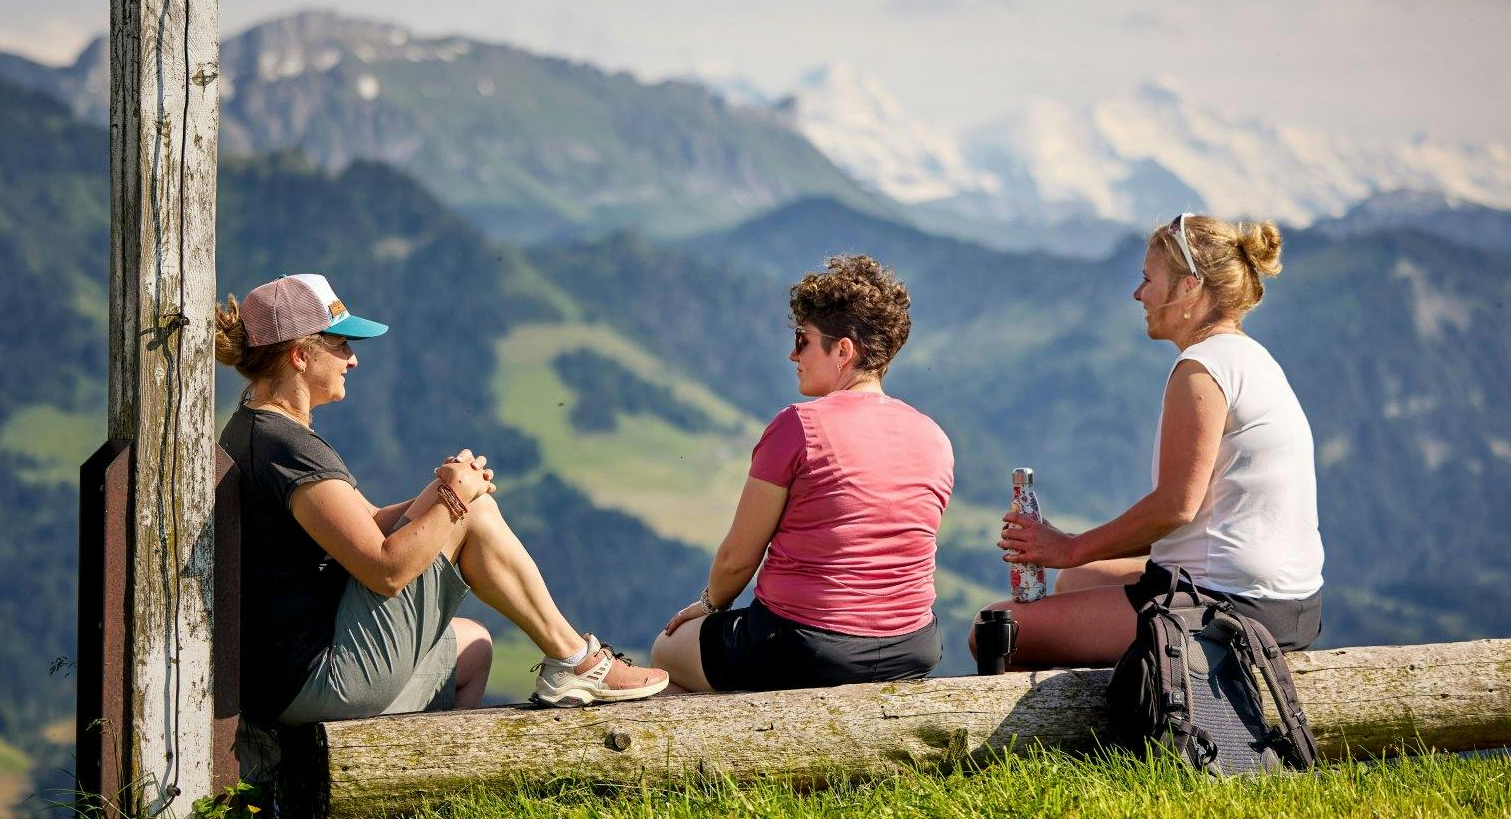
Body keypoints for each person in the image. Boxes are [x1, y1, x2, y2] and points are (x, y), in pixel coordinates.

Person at [219, 272, 667, 724]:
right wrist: (455, 500)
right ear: (299, 355)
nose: (352, 360)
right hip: (321, 677)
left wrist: (442, 490)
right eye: (341, 345)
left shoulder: (259, 429)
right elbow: (386, 571)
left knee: (473, 647)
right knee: (473, 511)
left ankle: (441, 770)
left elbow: (366, 520)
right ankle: (577, 662)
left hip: (293, 675)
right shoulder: (287, 448)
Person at [978, 213, 1324, 667]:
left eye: (1148, 279)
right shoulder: (1250, 358)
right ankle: (1127, 718)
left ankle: (1070, 728)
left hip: (1225, 606)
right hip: (1287, 601)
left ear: (1189, 288)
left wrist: (1069, 548)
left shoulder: (1201, 371)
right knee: (1076, 581)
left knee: (996, 629)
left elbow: (1176, 507)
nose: (1138, 294)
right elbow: (1195, 514)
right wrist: (1074, 553)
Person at [652, 255, 954, 692]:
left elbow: (738, 557)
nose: (793, 354)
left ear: (844, 351)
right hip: (914, 645)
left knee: (666, 650)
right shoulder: (935, 437)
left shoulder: (799, 425)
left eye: (804, 340)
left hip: (806, 645)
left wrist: (709, 605)